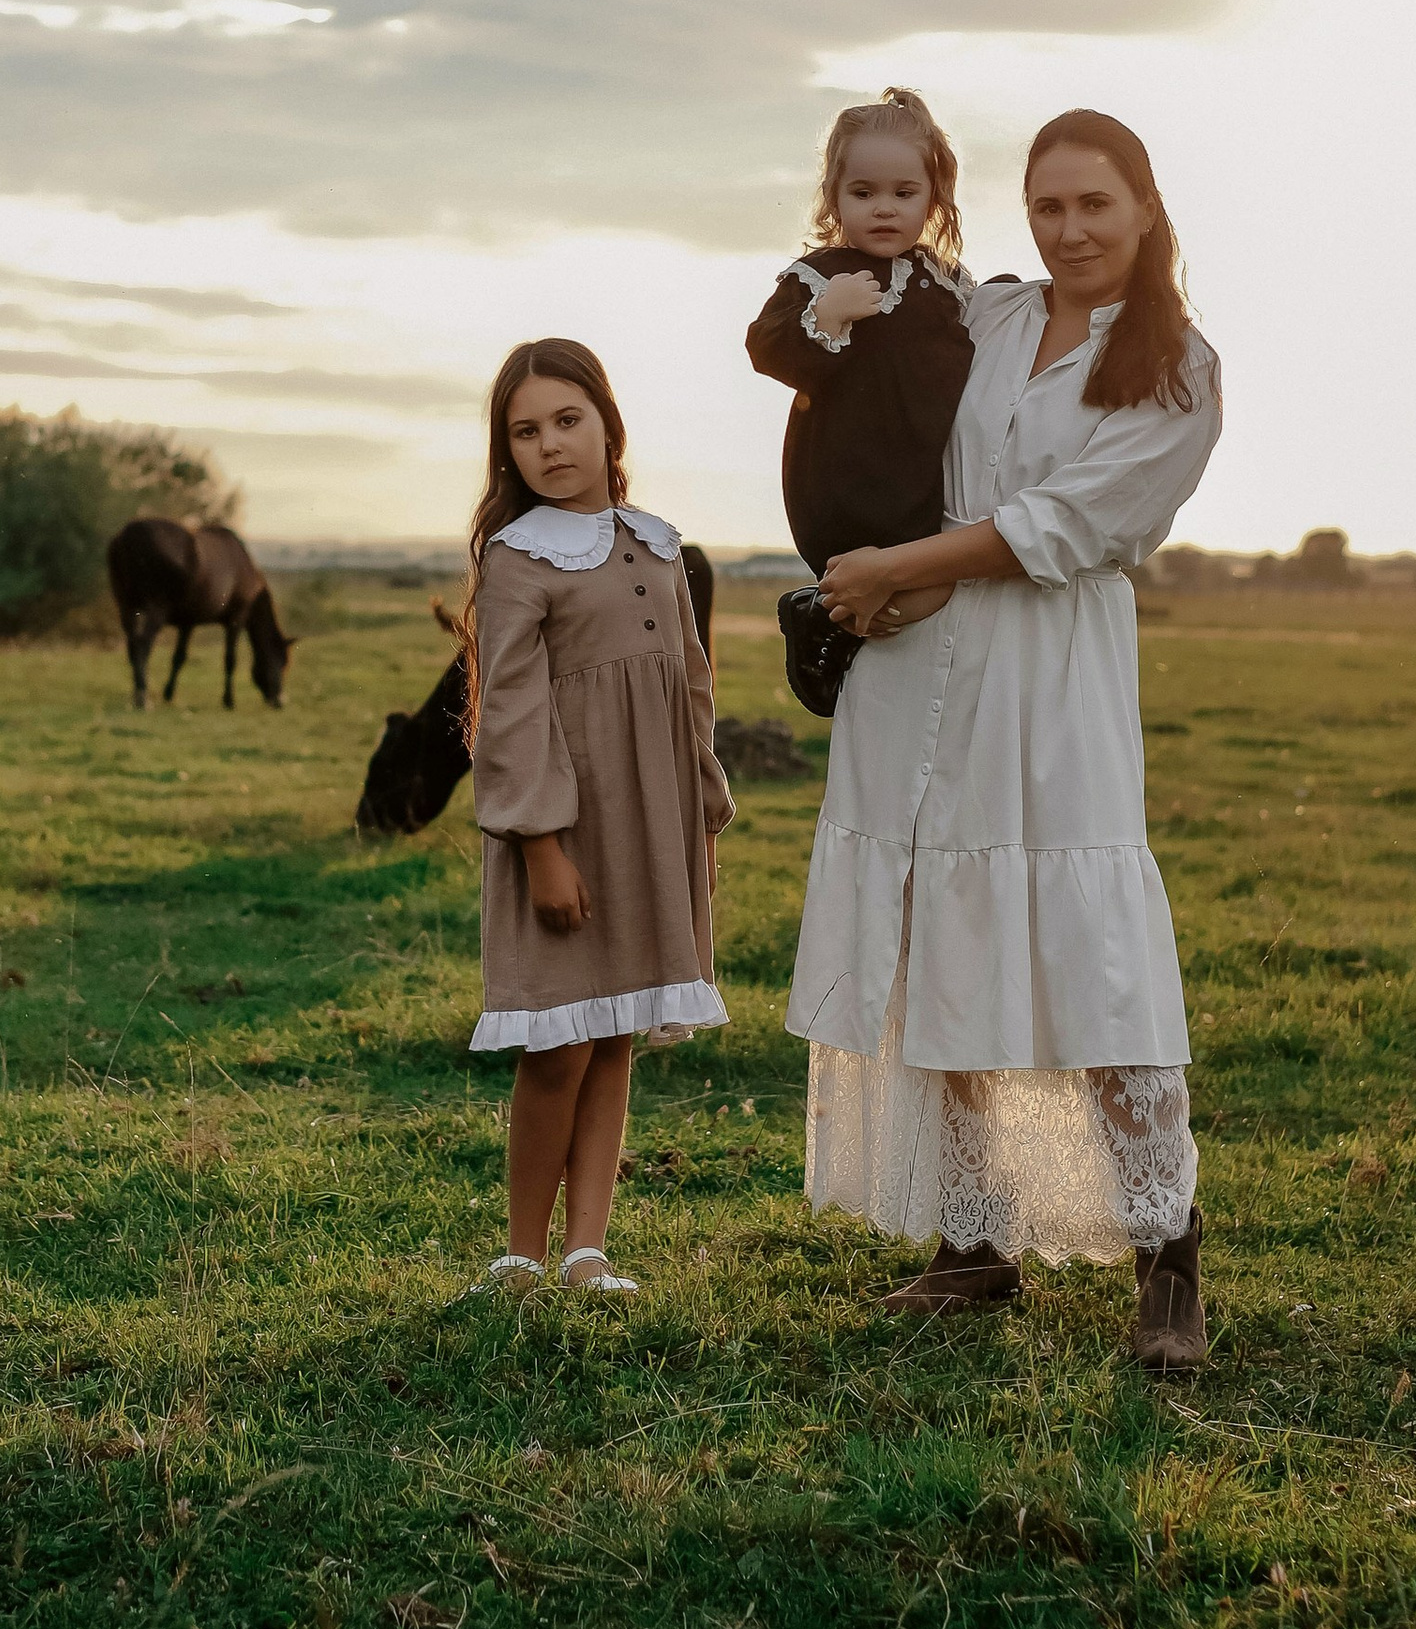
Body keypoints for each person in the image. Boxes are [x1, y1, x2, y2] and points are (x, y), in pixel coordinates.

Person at [787, 110, 1223, 1365]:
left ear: (1143, 210)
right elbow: (860, 390)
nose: (1071, 230)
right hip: (913, 657)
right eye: (1048, 208)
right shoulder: (985, 317)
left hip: (1049, 672)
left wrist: (889, 563)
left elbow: (1062, 525)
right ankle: (974, 1240)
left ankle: (1166, 1254)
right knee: (941, 933)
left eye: (1094, 205)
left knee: (1095, 957)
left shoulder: (1179, 367)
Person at [462, 337, 733, 1299]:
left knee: (614, 1035)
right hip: (567, 835)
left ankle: (588, 1252)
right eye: (525, 431)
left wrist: (703, 816)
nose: (550, 445)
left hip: (651, 832)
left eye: (567, 420)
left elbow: (690, 692)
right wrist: (542, 847)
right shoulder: (516, 560)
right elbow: (513, 713)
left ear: (608, 424)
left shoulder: (655, 545)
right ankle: (522, 1256)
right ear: (509, 453)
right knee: (558, 1042)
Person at [743, 88, 974, 717]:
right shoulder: (821, 274)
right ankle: (823, 619)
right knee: (898, 588)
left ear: (932, 198)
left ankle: (827, 619)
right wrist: (825, 316)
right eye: (863, 193)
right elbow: (766, 348)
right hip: (844, 475)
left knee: (928, 593)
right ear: (834, 198)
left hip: (917, 477)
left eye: (904, 194)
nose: (884, 209)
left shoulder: (945, 283)